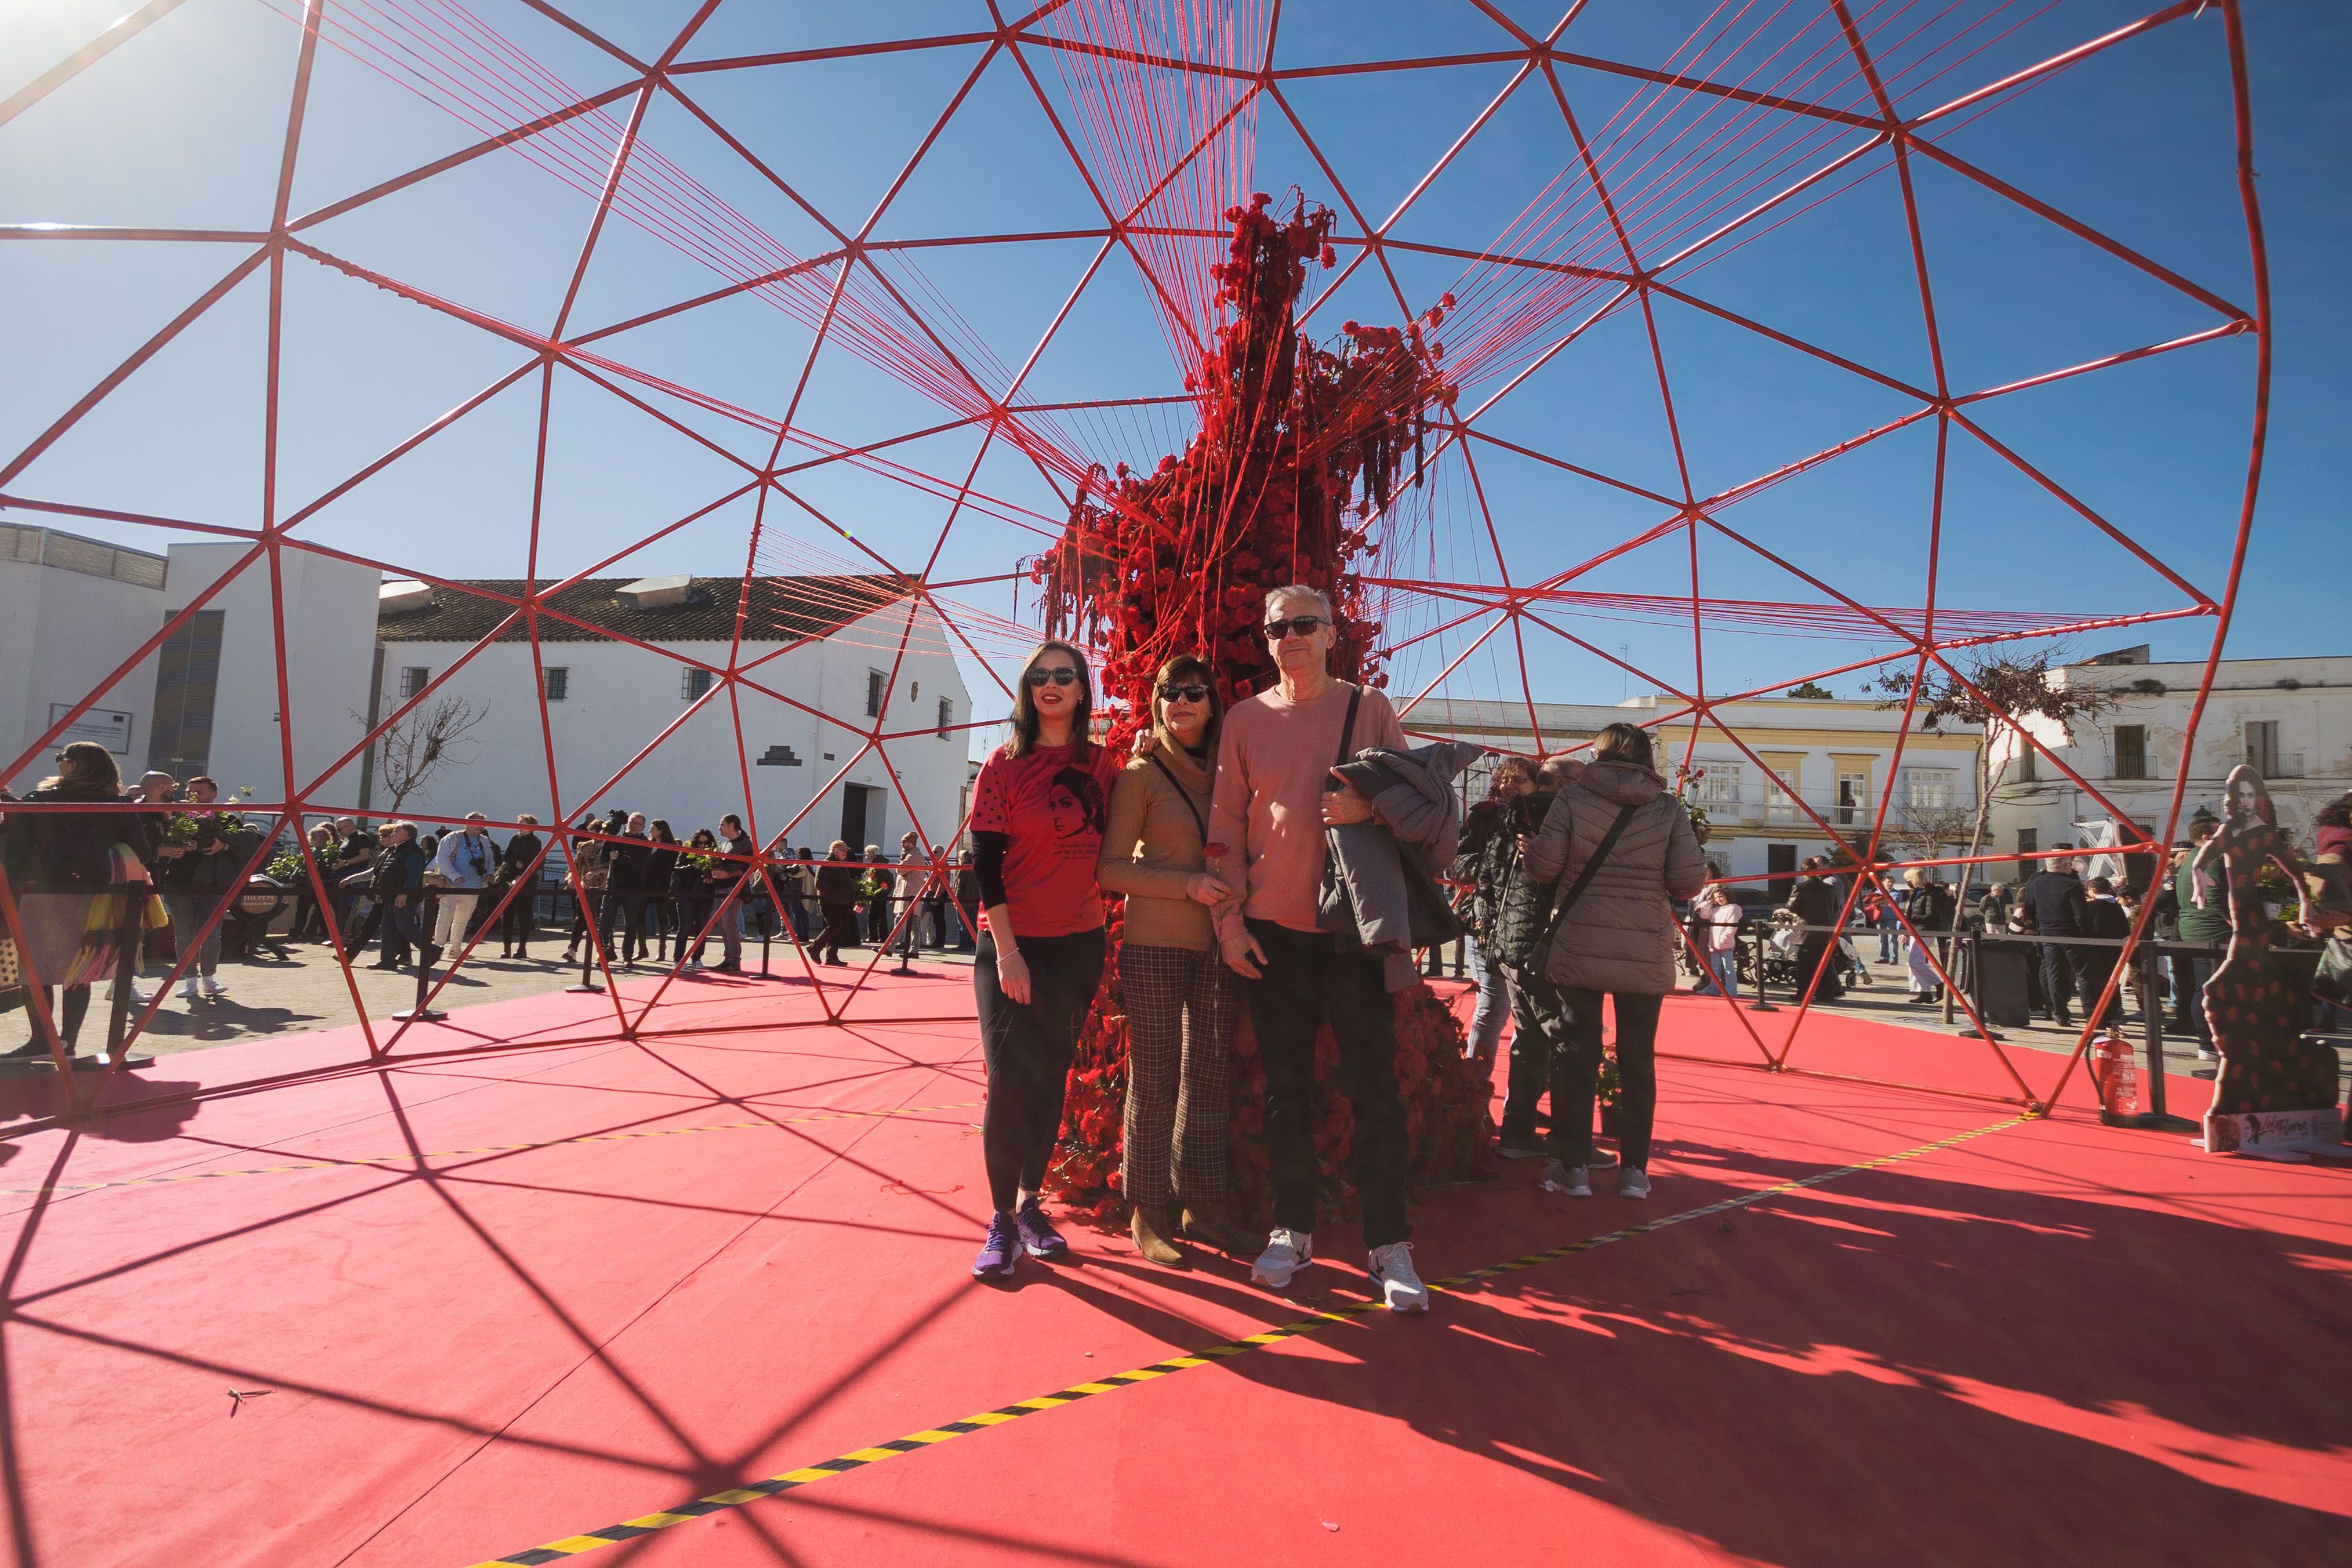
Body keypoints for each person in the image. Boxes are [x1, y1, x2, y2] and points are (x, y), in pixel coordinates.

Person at [1207, 586, 1427, 1312]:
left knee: (1375, 1091)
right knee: (1284, 1091)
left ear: (1332, 634)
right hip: (1273, 934)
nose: (1291, 635)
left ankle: (1389, 1244)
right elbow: (1226, 826)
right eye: (1278, 626)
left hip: (1352, 934)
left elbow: (1418, 803)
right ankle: (1291, 1227)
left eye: (1305, 623)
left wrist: (1369, 807)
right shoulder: (1244, 719)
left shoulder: (1369, 708)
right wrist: (1230, 926)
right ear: (1266, 639)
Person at [968, 639, 1119, 1281]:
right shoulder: (1003, 767)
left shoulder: (1105, 766)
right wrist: (1008, 954)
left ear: (1083, 691)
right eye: (1039, 677)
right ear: (1027, 691)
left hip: (1078, 941)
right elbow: (984, 868)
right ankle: (1001, 1217)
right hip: (1011, 942)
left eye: (1065, 676)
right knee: (1008, 1081)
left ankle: (1032, 1205)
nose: (1051, 685)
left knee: (1050, 1074)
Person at [1098, 654, 1256, 1267]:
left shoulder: (1230, 772)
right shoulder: (1140, 773)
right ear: (1158, 702)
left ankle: (1203, 1208)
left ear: (1212, 702)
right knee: (1157, 1079)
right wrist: (1185, 885)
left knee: (1210, 1078)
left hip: (1220, 943)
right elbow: (1111, 868)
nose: (1182, 702)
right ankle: (1148, 1212)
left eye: (1195, 691)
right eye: (1170, 693)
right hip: (1156, 944)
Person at [1525, 722, 1708, 1203]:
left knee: (1577, 1057)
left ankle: (1575, 1170)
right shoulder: (1667, 808)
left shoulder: (1572, 800)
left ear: (1598, 754)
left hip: (1580, 943)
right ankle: (1634, 1174)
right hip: (1643, 951)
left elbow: (1543, 868)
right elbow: (1688, 882)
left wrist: (1534, 852)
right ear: (1647, 757)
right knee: (1637, 1062)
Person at [1, 742, 155, 1062]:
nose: (58, 763)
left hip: (39, 892)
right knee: (78, 968)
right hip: (97, 895)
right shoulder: (119, 804)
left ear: (75, 766)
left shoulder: (37, 800)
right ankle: (68, 1042)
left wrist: (9, 898)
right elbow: (144, 852)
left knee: (34, 970)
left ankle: (42, 1040)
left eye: (63, 759)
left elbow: (15, 855)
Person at [1455, 756, 1537, 1065]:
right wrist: (1491, 866)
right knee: (1494, 1007)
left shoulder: (1550, 819)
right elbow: (1457, 862)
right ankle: (1475, 1085)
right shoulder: (1484, 816)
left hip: (1530, 926)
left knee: (1528, 1014)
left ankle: (1518, 1098)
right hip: (1487, 923)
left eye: (1519, 780)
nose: (1509, 785)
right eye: (1505, 779)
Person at [155, 776, 244, 1002]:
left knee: (211, 933)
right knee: (184, 933)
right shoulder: (177, 817)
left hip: (214, 885)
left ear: (214, 794)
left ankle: (209, 979)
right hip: (179, 882)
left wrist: (223, 845)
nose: (193, 796)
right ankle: (189, 982)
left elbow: (244, 844)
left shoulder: (227, 819)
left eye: (199, 792)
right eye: (190, 791)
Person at [2021, 849, 2098, 1028]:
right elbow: (2081, 914)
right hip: (2070, 933)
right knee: (2084, 974)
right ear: (2065, 866)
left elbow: (2029, 907)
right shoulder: (2071, 884)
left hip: (2047, 933)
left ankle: (2060, 1013)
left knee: (2053, 973)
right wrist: (2087, 933)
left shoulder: (2037, 883)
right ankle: (2091, 1014)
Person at [2173, 814, 2228, 1061]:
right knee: (2211, 989)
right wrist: (2238, 924)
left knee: (2203, 988)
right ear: (2207, 838)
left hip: (2195, 930)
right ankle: (2209, 1042)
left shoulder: (2189, 861)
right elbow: (2215, 898)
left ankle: (2207, 1043)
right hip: (2213, 931)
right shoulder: (2212, 860)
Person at [429, 811, 496, 955]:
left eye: (483, 823)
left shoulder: (484, 840)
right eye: (477, 823)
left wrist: (490, 873)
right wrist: (455, 875)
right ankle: (438, 947)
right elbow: (442, 859)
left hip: (474, 886)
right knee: (445, 917)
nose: (481, 826)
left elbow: (490, 859)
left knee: (463, 919)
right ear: (467, 823)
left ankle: (456, 948)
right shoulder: (452, 838)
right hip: (451, 885)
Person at [1785, 856, 1845, 1002]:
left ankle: (1804, 994)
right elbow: (1835, 908)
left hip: (1806, 932)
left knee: (1805, 966)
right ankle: (1826, 994)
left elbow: (1792, 907)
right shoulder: (1829, 889)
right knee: (1824, 966)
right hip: (1825, 932)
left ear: (1803, 872)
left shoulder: (1800, 888)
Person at [602, 813, 654, 966]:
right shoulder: (618, 838)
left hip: (633, 888)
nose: (634, 825)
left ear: (643, 827)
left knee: (630, 924)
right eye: (632, 822)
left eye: (638, 824)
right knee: (605, 922)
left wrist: (620, 858)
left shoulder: (645, 842)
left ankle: (627, 955)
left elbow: (640, 864)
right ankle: (607, 951)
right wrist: (609, 837)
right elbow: (604, 858)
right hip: (613, 885)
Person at [375, 823, 427, 970]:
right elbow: (386, 871)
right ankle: (387, 961)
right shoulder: (396, 850)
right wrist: (381, 890)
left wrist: (404, 892)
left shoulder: (413, 851)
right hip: (390, 896)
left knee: (406, 927)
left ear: (406, 834)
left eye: (397, 831)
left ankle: (431, 951)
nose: (392, 834)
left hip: (403, 897)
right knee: (387, 929)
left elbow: (414, 873)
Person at [709, 814, 754, 974]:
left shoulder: (744, 844)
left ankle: (734, 961)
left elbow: (751, 867)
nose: (719, 828)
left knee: (729, 923)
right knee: (723, 924)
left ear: (732, 825)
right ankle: (728, 959)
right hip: (721, 887)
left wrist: (730, 874)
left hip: (734, 888)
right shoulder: (726, 844)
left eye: (722, 824)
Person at [1901, 869, 1952, 1005]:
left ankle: (1938, 984)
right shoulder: (1916, 892)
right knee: (1915, 962)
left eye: (1909, 880)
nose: (1907, 883)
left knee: (1915, 962)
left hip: (1926, 931)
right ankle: (1925, 992)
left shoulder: (1931, 894)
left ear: (1915, 879)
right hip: (1916, 930)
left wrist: (1911, 918)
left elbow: (1931, 916)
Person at [495, 814, 543, 958]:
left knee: (524, 915)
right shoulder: (515, 839)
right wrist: (515, 862)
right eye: (519, 823)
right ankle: (506, 947)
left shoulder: (535, 842)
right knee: (507, 915)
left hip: (526, 881)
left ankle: (522, 947)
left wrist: (522, 872)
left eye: (522, 823)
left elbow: (534, 861)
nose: (519, 825)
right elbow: (506, 856)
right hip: (510, 878)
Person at [672, 828, 718, 972]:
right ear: (695, 842)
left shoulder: (714, 856)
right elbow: (677, 869)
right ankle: (679, 959)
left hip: (705, 895)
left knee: (702, 928)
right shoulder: (687, 853)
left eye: (706, 843)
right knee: (685, 927)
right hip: (687, 894)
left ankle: (697, 958)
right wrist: (693, 866)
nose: (703, 846)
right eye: (700, 843)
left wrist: (712, 877)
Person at [811, 840, 861, 965]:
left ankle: (832, 956)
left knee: (840, 929)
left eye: (846, 851)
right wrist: (837, 896)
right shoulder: (827, 864)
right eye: (842, 850)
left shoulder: (840, 864)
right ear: (834, 850)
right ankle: (815, 947)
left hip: (842, 902)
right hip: (831, 903)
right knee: (835, 926)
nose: (845, 853)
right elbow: (819, 884)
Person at [1689, 883, 1742, 999]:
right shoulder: (1716, 909)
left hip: (1725, 944)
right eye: (1717, 898)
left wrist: (1723, 940)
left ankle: (1731, 990)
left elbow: (1732, 928)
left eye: (1721, 897)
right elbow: (1704, 915)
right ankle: (1713, 988)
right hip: (1714, 944)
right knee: (1714, 969)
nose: (1719, 900)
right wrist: (1708, 902)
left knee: (1728, 969)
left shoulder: (1733, 908)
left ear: (1727, 896)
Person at [644, 820, 680, 962]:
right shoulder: (647, 845)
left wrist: (672, 889)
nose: (650, 831)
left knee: (662, 918)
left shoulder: (669, 848)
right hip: (645, 886)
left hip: (662, 886)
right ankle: (642, 948)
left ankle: (662, 950)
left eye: (652, 828)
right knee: (640, 916)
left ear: (660, 831)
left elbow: (671, 869)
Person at [863, 843, 894, 946]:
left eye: (867, 852)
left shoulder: (878, 864)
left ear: (872, 853)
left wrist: (884, 889)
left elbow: (888, 878)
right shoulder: (878, 863)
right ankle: (883, 936)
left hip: (879, 893)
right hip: (880, 892)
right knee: (881, 915)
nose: (866, 855)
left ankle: (873, 937)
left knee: (873, 915)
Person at [952, 847, 979, 951]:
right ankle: (974, 943)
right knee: (973, 924)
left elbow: (960, 886)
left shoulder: (963, 869)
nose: (958, 859)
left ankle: (965, 944)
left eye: (959, 857)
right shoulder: (975, 868)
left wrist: (956, 900)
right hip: (975, 901)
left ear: (963, 858)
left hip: (964, 901)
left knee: (963, 924)